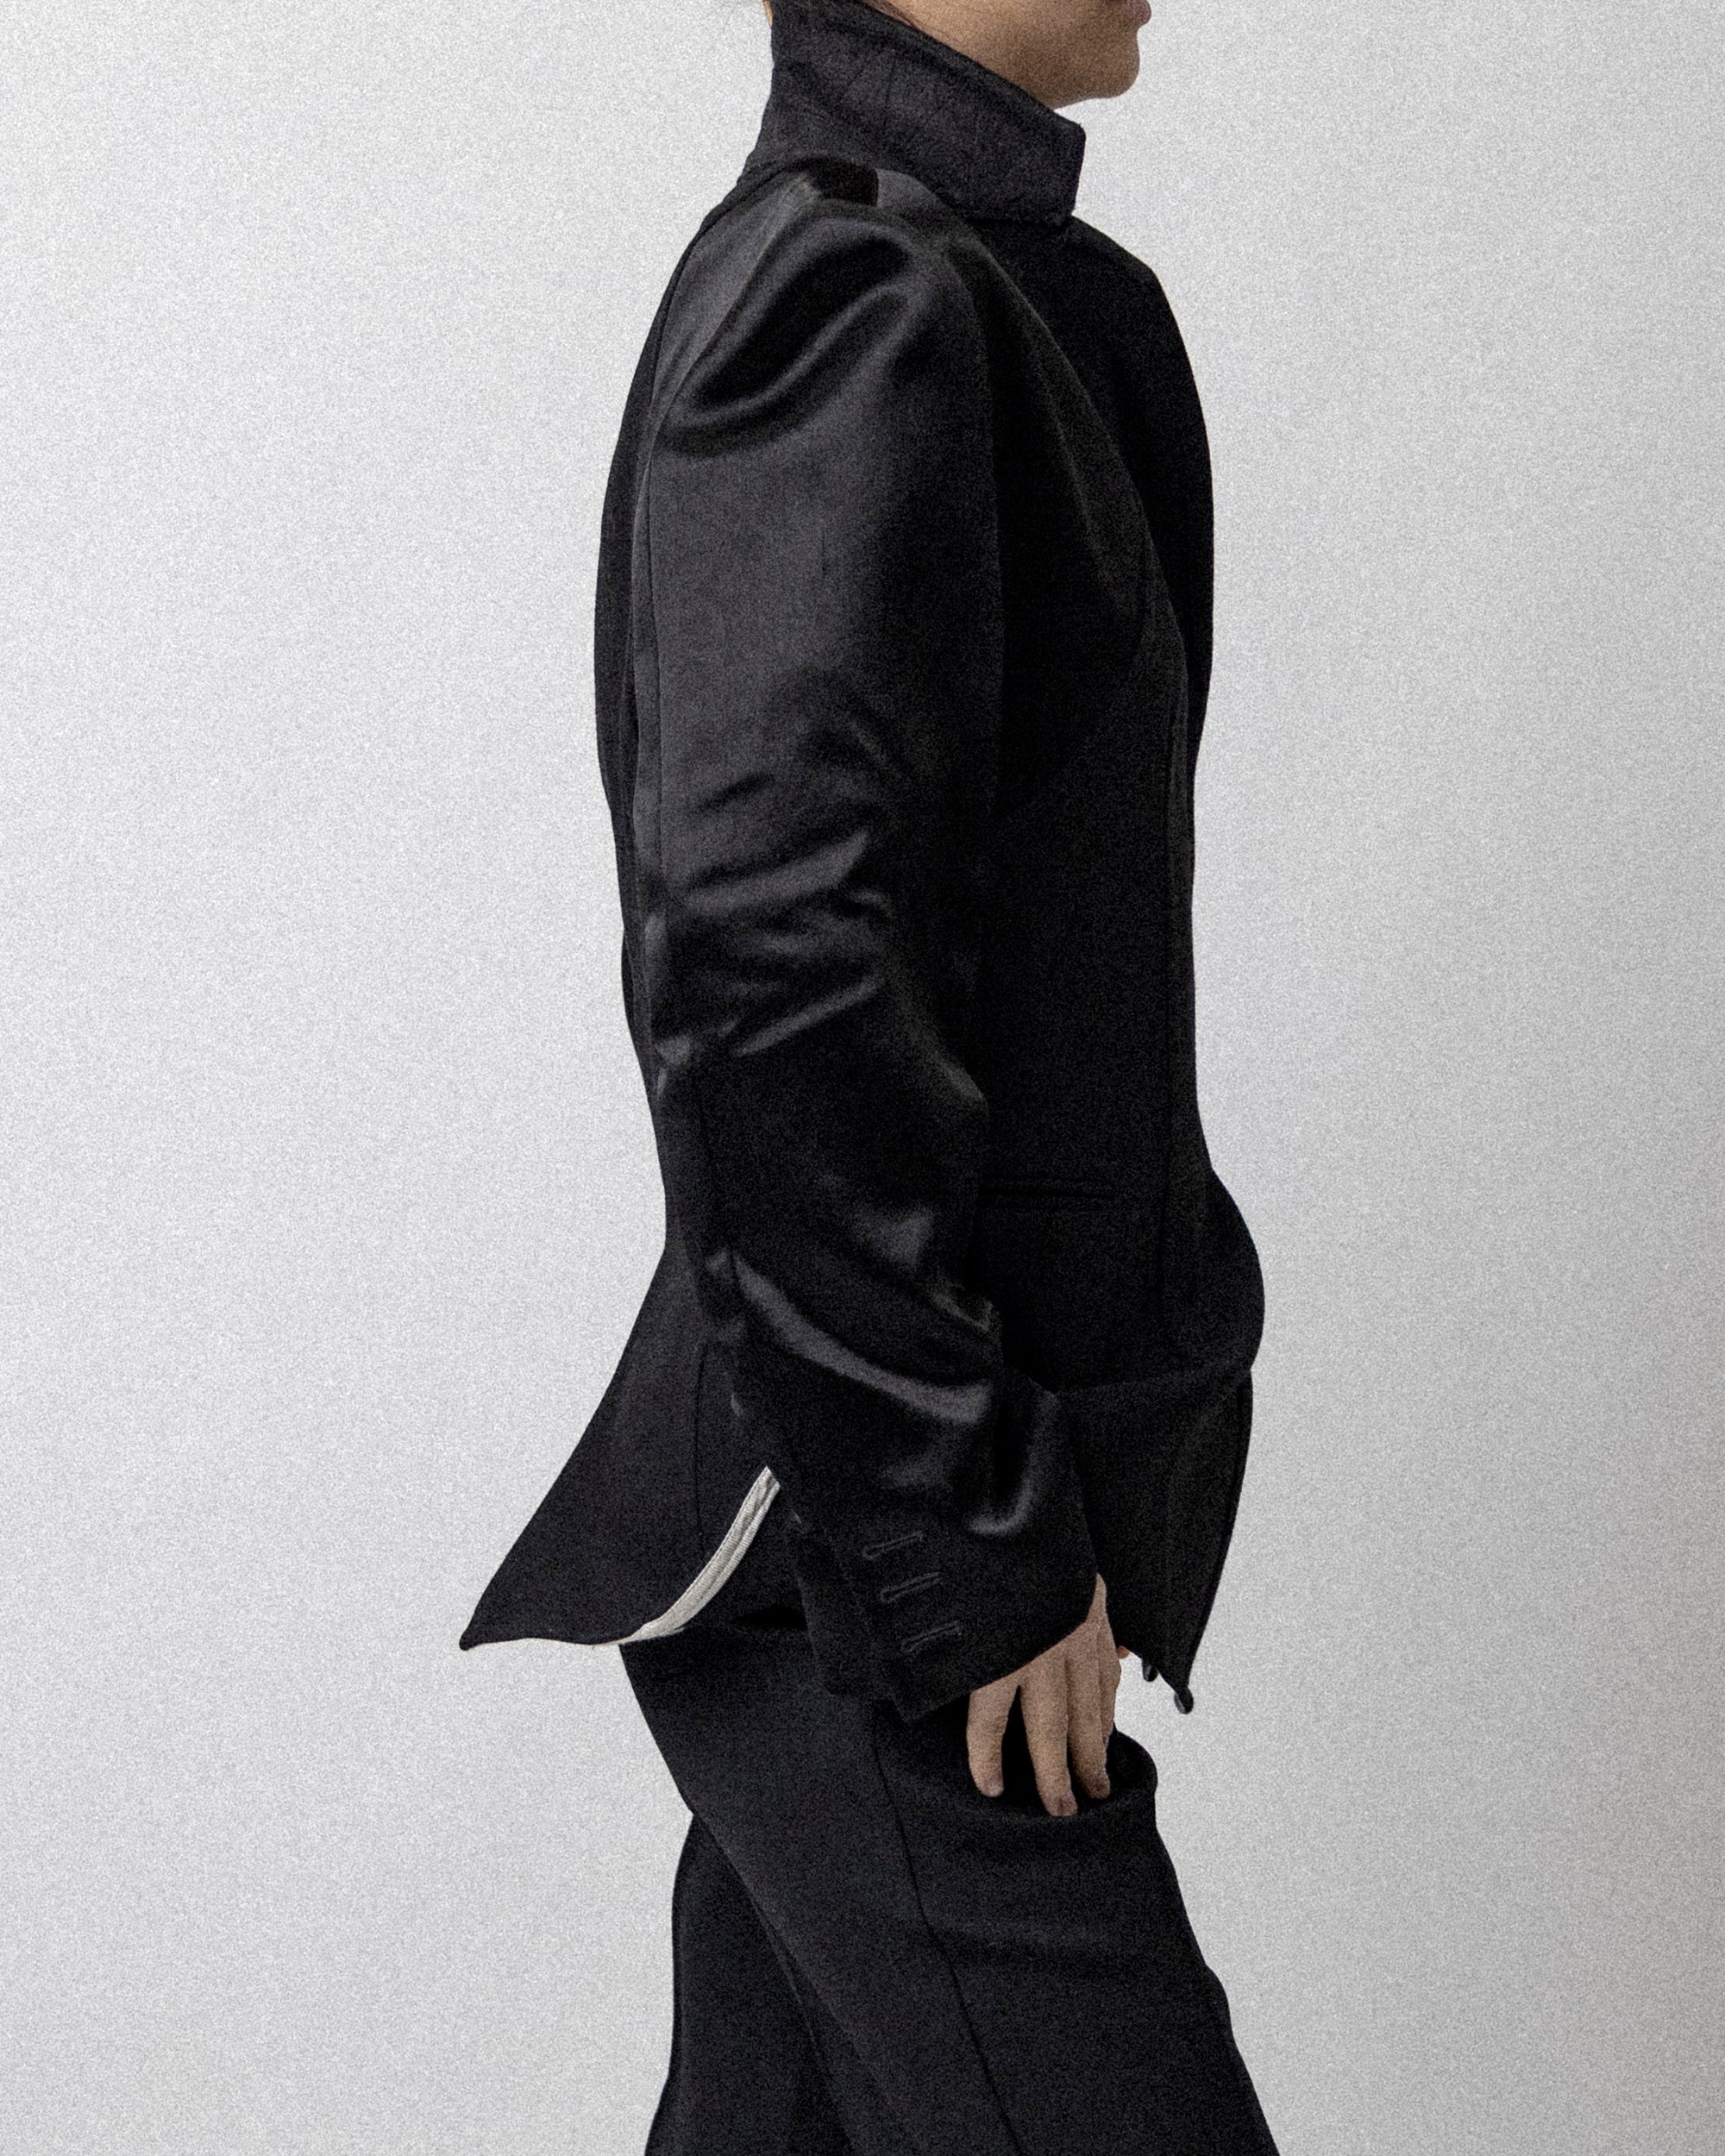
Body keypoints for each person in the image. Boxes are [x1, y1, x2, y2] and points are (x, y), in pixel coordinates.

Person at [461, 0, 1280, 2146]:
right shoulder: (849, 289)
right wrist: (964, 1547)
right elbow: (763, 960)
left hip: (870, 1532)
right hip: (860, 1558)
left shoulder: (985, 284)